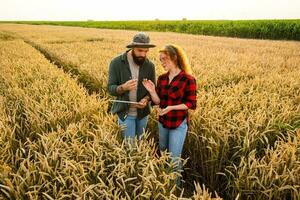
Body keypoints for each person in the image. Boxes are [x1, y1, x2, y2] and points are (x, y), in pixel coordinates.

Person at [142, 44, 197, 187]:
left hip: (178, 123)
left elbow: (191, 104)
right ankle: (165, 185)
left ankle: (175, 188)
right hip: (163, 122)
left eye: (165, 59)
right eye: (160, 60)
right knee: (163, 154)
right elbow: (158, 102)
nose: (162, 63)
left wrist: (171, 107)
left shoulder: (188, 79)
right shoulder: (162, 79)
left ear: (175, 57)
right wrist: (152, 91)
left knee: (174, 158)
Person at [107, 32, 156, 141]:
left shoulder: (150, 66)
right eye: (140, 50)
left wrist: (146, 99)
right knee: (130, 147)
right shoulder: (116, 63)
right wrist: (123, 87)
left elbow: (153, 91)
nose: (143, 54)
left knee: (140, 143)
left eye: (146, 51)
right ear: (132, 47)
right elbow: (110, 88)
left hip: (143, 114)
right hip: (125, 114)